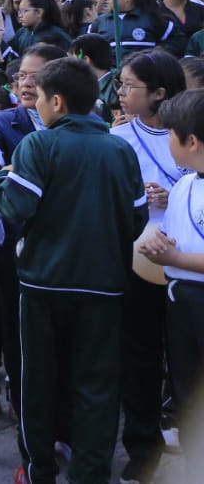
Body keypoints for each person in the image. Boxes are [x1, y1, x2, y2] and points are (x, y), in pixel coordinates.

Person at [0, 58, 147, 484]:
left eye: (38, 98)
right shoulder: (120, 149)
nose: (35, 106)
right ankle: (90, 474)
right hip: (105, 287)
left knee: (39, 385)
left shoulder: (38, 146)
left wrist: (1, 182)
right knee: (97, 389)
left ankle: (39, 471)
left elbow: (16, 207)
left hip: (44, 285)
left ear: (56, 101)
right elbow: (136, 220)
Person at [110, 49, 186, 484]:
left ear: (160, 93)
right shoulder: (117, 139)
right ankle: (143, 448)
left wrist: (169, 197)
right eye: (119, 83)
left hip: (188, 261)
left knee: (186, 356)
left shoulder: (189, 132)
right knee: (138, 356)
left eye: (129, 86)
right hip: (136, 262)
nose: (120, 92)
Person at [135, 89, 204, 460]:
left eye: (171, 135)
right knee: (186, 390)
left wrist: (175, 255)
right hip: (179, 298)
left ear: (191, 141)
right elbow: (176, 236)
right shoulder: (185, 185)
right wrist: (158, 246)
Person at [5, 0, 73, 58]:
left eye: (24, 11)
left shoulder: (56, 34)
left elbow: (75, 54)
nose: (20, 15)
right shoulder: (21, 32)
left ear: (39, 12)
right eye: (19, 11)